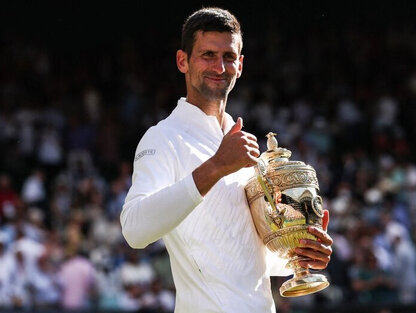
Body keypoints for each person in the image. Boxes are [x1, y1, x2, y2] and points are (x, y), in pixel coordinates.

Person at [120, 7, 333, 313]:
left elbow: (249, 258)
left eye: (229, 57)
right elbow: (134, 230)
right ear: (183, 61)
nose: (219, 66)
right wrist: (216, 166)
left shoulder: (240, 144)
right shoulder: (163, 138)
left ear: (241, 65)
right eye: (207, 55)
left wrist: (300, 253)